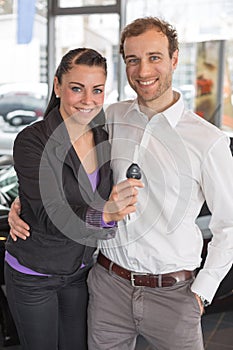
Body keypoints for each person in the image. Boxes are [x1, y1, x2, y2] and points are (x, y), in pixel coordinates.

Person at [8, 17, 233, 350]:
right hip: (106, 285)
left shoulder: (208, 141)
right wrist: (24, 202)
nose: (143, 70)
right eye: (133, 59)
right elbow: (64, 174)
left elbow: (229, 225)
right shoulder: (110, 116)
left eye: (154, 57)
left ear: (173, 59)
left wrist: (202, 292)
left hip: (174, 295)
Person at [4, 47, 143, 350]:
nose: (88, 100)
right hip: (34, 274)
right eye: (76, 89)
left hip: (79, 272)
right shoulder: (32, 140)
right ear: (57, 86)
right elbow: (50, 215)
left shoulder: (103, 137)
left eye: (97, 90)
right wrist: (105, 214)